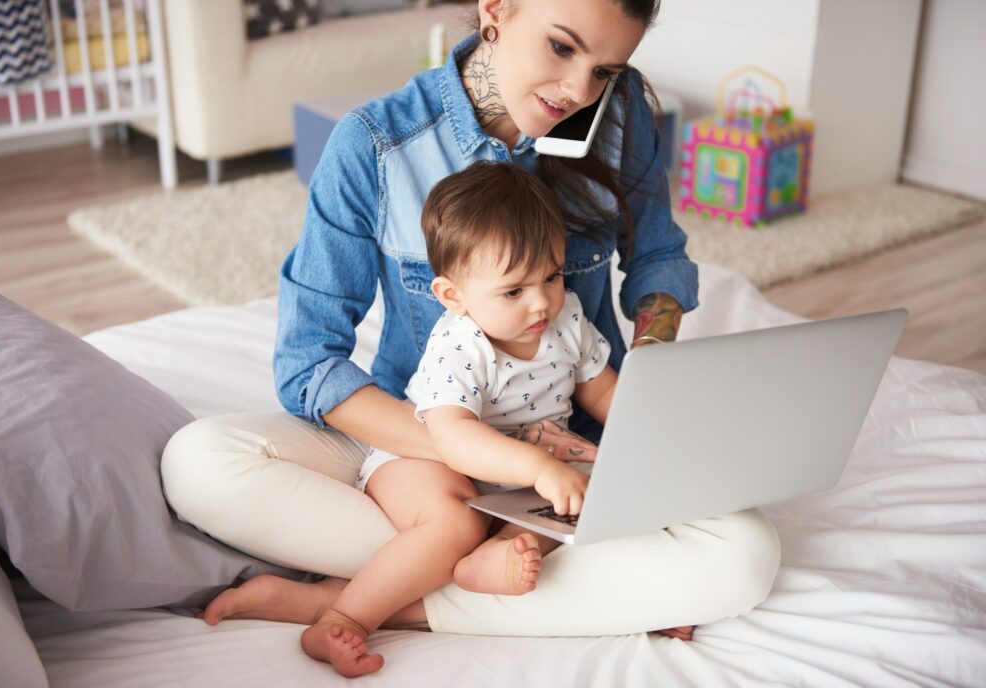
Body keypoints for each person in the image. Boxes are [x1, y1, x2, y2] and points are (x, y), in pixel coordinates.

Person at [161, 0, 780, 654]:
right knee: (197, 462)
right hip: (423, 440)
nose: (579, 92)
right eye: (562, 48)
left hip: (575, 455)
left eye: (606, 69)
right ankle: (563, 584)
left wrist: (644, 390)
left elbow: (657, 260)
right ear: (495, 10)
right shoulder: (376, 144)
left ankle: (367, 599)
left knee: (747, 553)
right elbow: (309, 364)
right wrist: (491, 458)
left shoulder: (619, 118)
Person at [299, 161, 620, 676]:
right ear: (453, 296)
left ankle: (490, 560)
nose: (541, 301)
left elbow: (602, 390)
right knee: (454, 520)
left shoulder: (568, 318)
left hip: (524, 470)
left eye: (552, 276)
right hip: (429, 459)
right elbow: (454, 438)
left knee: (576, 509)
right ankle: (344, 617)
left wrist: (636, 434)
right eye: (514, 291)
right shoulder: (460, 342)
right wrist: (537, 467)